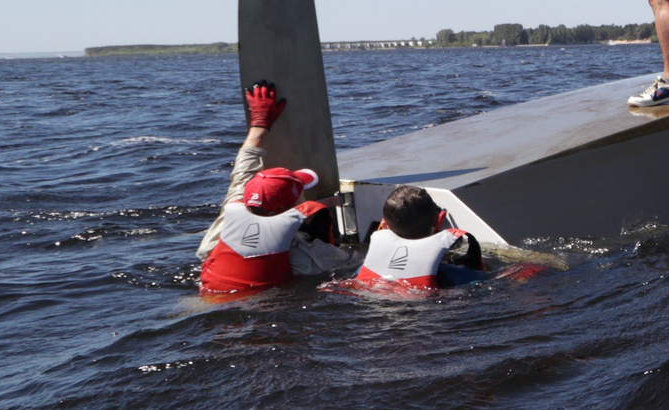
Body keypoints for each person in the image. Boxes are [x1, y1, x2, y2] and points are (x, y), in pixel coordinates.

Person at [197, 82, 354, 294]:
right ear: (294, 206)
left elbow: (245, 164)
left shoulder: (233, 209)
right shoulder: (302, 252)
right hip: (257, 307)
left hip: (204, 298)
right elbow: (350, 262)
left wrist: (260, 122)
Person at [353, 185, 485, 292]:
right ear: (435, 219)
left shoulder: (365, 270)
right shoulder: (454, 276)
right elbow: (489, 280)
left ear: (385, 225)